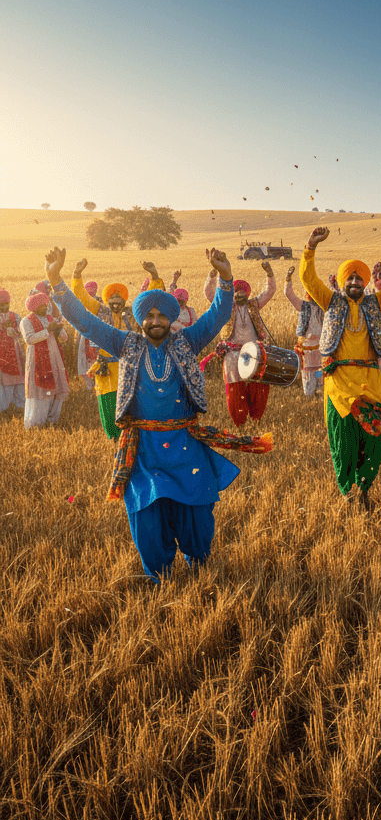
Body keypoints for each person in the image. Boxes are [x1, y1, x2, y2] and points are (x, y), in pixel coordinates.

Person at [47, 246, 272, 582]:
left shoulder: (188, 342)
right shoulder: (125, 344)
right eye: (149, 316)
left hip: (185, 442)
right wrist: (56, 280)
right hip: (144, 450)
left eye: (161, 315)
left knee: (196, 512)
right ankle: (159, 575)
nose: (155, 321)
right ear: (141, 319)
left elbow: (217, 316)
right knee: (147, 516)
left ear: (170, 318)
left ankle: (198, 563)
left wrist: (226, 277)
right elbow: (84, 321)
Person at [300, 227, 381, 508]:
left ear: (365, 282)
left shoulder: (375, 302)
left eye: (359, 277)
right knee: (344, 440)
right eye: (349, 277)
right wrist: (311, 247)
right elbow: (308, 280)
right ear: (342, 281)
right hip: (339, 381)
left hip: (371, 380)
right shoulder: (331, 301)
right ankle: (349, 492)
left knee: (376, 439)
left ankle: (363, 486)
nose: (354, 281)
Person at [71, 260, 165, 438]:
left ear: (124, 300)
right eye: (112, 302)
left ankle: (133, 436)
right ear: (107, 301)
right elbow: (81, 297)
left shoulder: (134, 312)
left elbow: (152, 297)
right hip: (107, 369)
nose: (115, 304)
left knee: (134, 402)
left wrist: (154, 274)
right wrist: (77, 275)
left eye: (119, 301)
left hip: (131, 366)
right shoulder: (100, 311)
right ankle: (114, 437)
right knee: (108, 404)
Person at [202, 259, 276, 426]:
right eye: (236, 292)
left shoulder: (255, 304)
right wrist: (212, 274)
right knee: (235, 386)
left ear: (247, 294)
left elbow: (270, 291)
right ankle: (239, 421)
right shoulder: (226, 306)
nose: (239, 294)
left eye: (242, 292)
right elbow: (209, 293)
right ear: (232, 293)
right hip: (232, 354)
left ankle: (256, 418)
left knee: (258, 384)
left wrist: (269, 273)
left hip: (255, 352)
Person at [20, 289, 71, 429]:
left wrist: (59, 330)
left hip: (55, 357)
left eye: (45, 305)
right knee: (40, 391)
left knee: (57, 388)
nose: (44, 308)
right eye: (41, 306)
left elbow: (64, 339)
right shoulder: (26, 321)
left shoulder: (50, 318)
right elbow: (29, 339)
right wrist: (48, 331)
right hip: (37, 360)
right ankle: (35, 423)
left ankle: (52, 419)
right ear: (34, 308)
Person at [284, 264, 324, 397]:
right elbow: (288, 294)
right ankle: (309, 398)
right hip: (306, 350)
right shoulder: (304, 306)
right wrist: (288, 278)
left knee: (321, 385)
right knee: (308, 386)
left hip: (321, 350)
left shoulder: (325, 308)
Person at [0, 289, 26, 413]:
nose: (5, 307)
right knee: (3, 381)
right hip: (2, 356)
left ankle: (20, 405)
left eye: (7, 304)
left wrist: (15, 328)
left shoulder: (15, 316)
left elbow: (23, 333)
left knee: (19, 379)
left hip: (16, 353)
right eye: (2, 305)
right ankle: (3, 408)